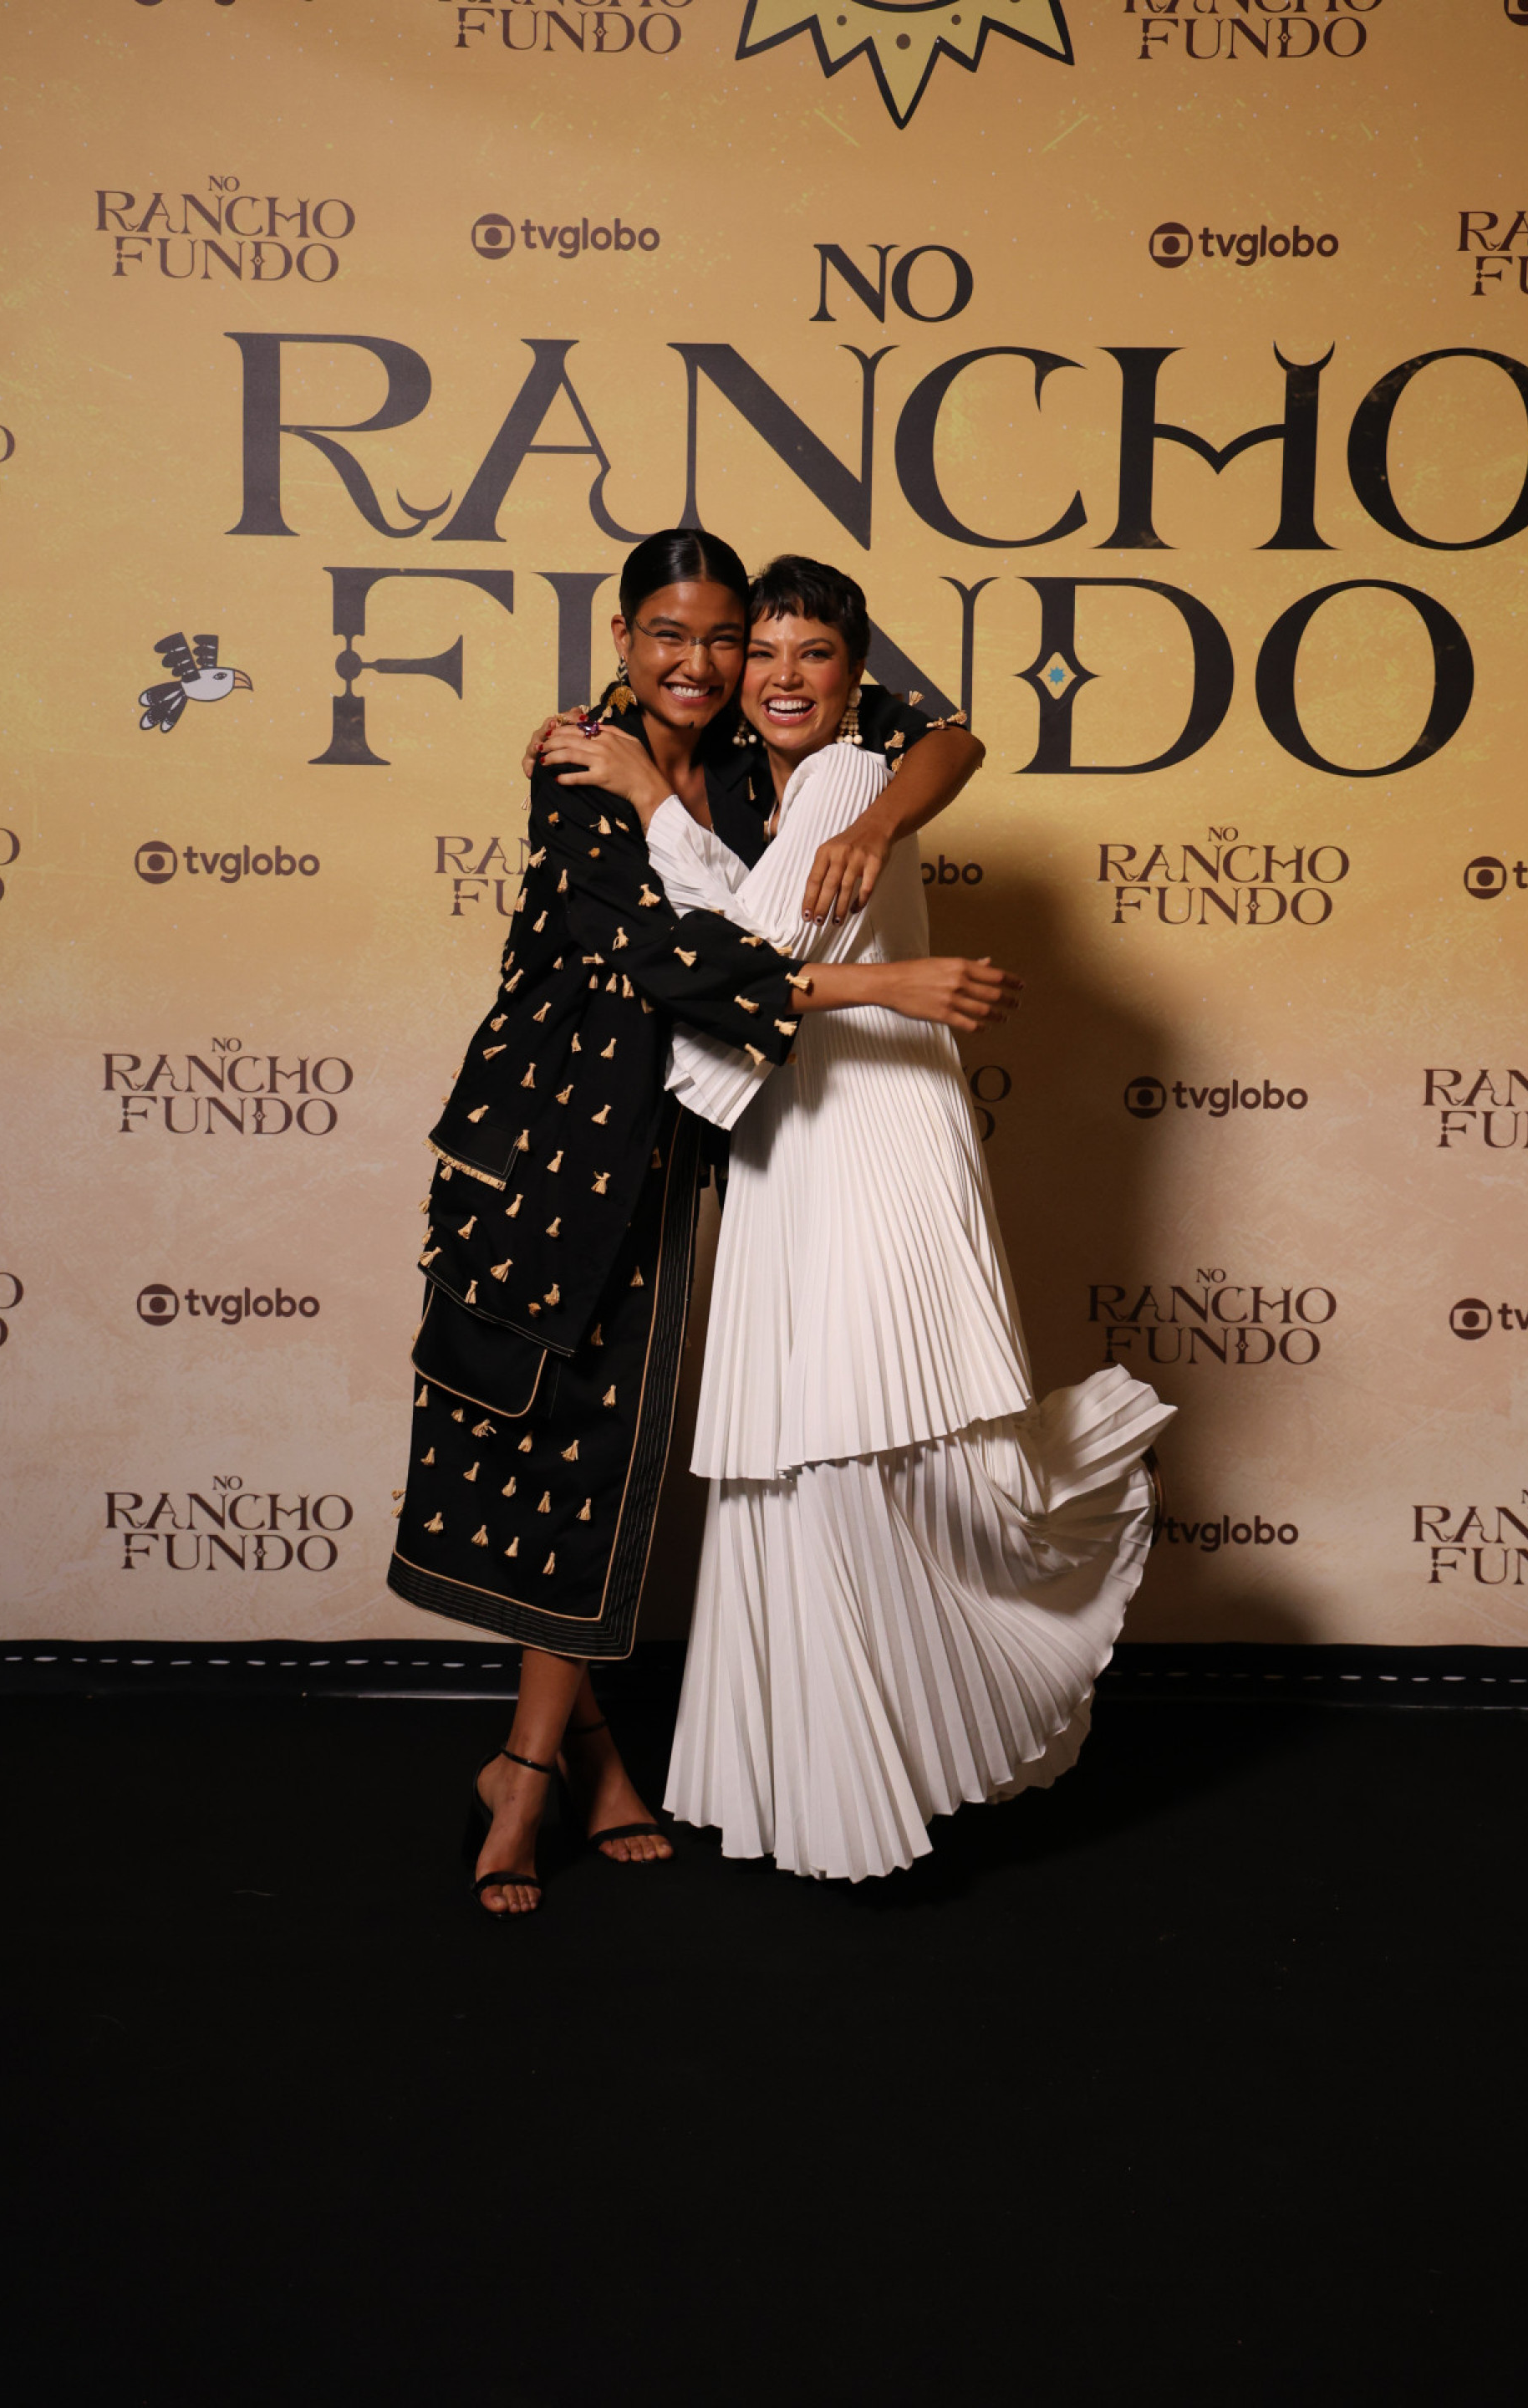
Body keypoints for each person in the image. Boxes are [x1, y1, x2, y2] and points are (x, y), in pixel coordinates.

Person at [388, 530, 1008, 1915]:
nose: (704, 664)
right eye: (671, 635)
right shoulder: (577, 761)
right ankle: (537, 1768)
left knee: (608, 1456)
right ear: (622, 638)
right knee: (559, 1445)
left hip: (670, 1147)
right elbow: (662, 958)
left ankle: (566, 1757)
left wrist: (869, 827)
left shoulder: (753, 742)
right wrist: (887, 987)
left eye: (724, 638)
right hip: (548, 1148)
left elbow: (943, 734)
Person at [563, 555, 1176, 1882]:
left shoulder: (846, 779)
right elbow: (748, 922)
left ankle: (867, 1779)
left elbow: (753, 961)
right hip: (800, 1143)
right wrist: (644, 789)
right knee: (801, 1456)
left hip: (875, 1142)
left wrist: (643, 806)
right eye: (762, 652)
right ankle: (824, 1790)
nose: (781, 676)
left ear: (855, 678)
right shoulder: (777, 791)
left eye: (814, 655)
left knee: (841, 1450)